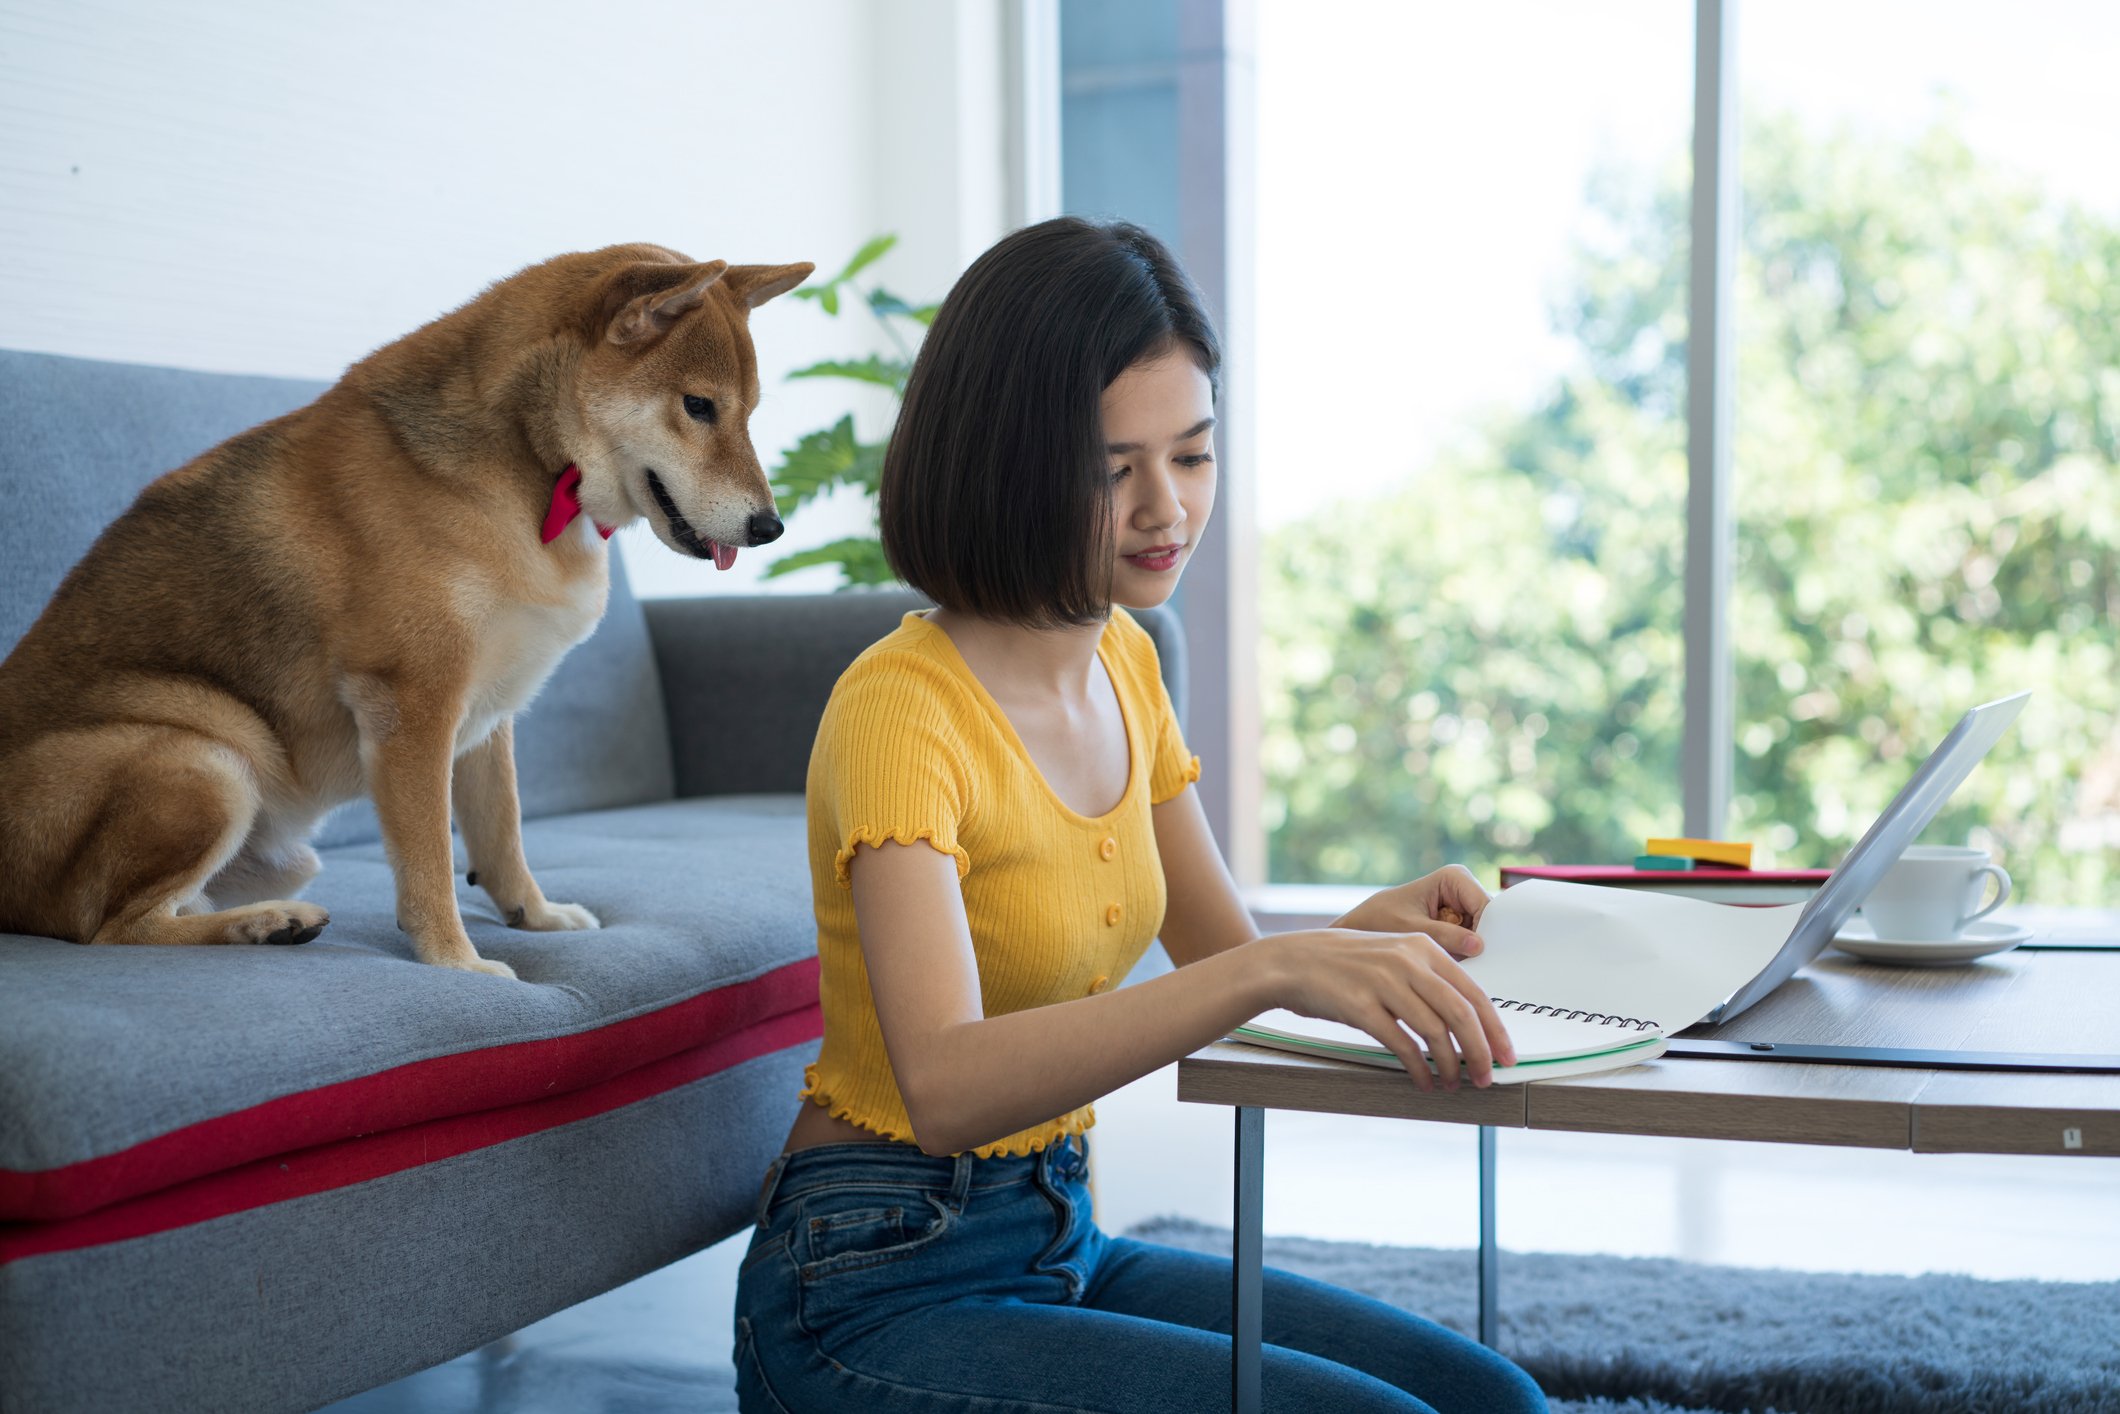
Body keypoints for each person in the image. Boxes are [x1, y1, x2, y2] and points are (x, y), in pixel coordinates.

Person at [732, 217, 1546, 1414]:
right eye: (1112, 470)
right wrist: (1273, 972)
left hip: (1057, 1235)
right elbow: (947, 1083)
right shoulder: (898, 713)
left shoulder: (1124, 659)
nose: (1164, 508)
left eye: (1192, 455)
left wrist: (1364, 939)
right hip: (869, 1284)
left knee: (1492, 1401)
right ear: (1006, 464)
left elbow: (1224, 955)